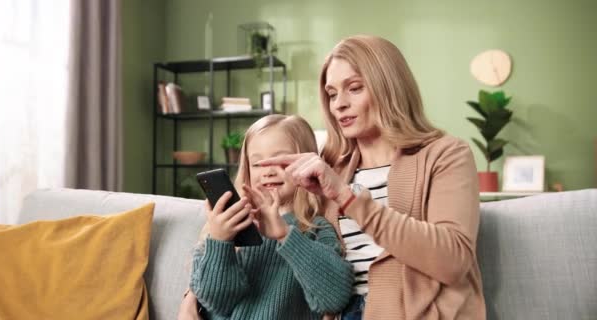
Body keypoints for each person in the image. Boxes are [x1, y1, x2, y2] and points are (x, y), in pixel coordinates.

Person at [256, 35, 486, 319]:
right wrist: (194, 297)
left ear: (389, 87)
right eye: (331, 93)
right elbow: (275, 234)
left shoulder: (446, 155)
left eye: (354, 88)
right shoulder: (328, 166)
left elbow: (453, 260)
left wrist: (347, 197)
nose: (338, 104)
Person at [185, 114, 354, 320]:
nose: (267, 172)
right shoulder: (228, 226)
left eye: (280, 161)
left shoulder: (315, 229)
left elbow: (334, 297)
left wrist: (286, 235)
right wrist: (219, 241)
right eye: (257, 164)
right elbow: (216, 302)